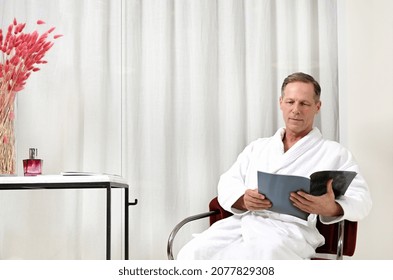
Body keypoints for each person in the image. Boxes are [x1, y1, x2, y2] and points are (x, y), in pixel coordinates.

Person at [177, 72, 372, 260]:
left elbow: (362, 200)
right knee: (192, 252)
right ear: (281, 103)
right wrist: (244, 200)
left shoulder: (334, 153)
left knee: (262, 255)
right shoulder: (258, 147)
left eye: (304, 103)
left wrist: (333, 207)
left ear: (317, 106)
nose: (296, 109)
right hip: (244, 223)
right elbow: (227, 182)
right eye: (290, 102)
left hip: (291, 231)